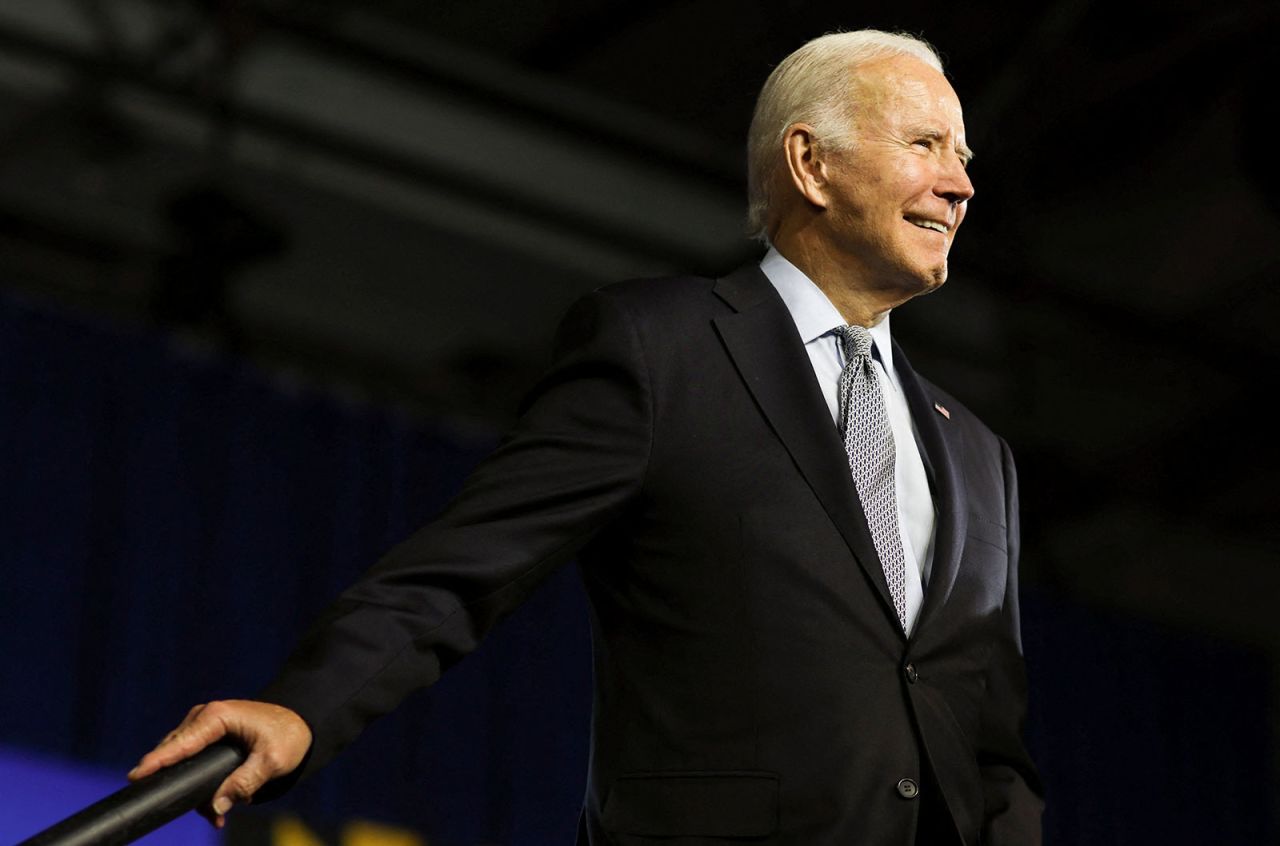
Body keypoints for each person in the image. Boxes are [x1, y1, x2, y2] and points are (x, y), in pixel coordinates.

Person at [130, 29, 1043, 845]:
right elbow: (463, 573)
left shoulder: (976, 454)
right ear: (811, 164)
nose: (960, 184)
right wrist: (301, 708)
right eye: (925, 145)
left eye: (962, 155)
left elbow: (990, 738)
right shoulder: (664, 349)